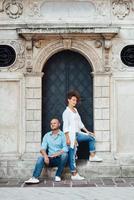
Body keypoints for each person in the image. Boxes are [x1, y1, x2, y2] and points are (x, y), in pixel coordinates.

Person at [62, 91, 103, 181]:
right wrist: (68, 138)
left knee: (91, 137)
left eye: (76, 100)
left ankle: (92, 156)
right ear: (68, 100)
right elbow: (65, 127)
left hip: (78, 133)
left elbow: (80, 123)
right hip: (71, 135)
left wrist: (87, 131)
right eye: (73, 100)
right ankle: (74, 173)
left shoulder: (75, 110)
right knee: (72, 155)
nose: (75, 102)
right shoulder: (66, 112)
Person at [25, 118, 68, 184]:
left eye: (54, 123)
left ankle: (58, 175)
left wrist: (56, 154)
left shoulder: (63, 135)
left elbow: (65, 148)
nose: (52, 125)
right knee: (40, 158)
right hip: (49, 159)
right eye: (51, 123)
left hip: (60, 159)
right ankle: (34, 177)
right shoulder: (47, 135)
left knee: (65, 155)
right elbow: (42, 149)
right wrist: (45, 156)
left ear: (59, 124)